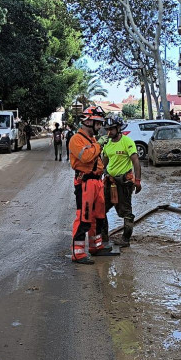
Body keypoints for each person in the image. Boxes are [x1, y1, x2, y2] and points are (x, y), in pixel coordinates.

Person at [68, 106, 108, 264]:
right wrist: (99, 145)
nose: (99, 127)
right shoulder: (76, 139)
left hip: (97, 181)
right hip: (85, 182)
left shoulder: (92, 139)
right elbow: (85, 157)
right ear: (88, 121)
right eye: (97, 123)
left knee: (98, 217)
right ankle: (77, 253)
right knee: (84, 218)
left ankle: (95, 246)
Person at [101, 115, 142, 248]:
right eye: (107, 129)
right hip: (110, 181)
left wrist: (138, 180)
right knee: (101, 208)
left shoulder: (127, 142)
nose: (109, 132)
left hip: (124, 183)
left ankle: (125, 239)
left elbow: (136, 161)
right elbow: (104, 162)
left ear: (118, 128)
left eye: (112, 129)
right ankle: (103, 237)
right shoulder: (107, 143)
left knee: (126, 211)